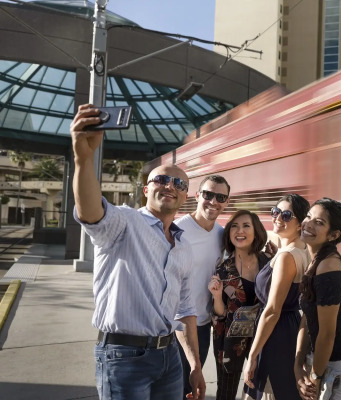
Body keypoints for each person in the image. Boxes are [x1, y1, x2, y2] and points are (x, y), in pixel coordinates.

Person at [70, 104, 205, 400]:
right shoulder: (124, 222)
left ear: (185, 195)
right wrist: (84, 158)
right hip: (123, 358)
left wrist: (194, 364)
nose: (170, 186)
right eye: (161, 180)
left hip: (169, 357)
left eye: (179, 183)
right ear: (146, 189)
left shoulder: (183, 245)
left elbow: (185, 310)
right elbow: (91, 210)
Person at [295, 198, 341, 400]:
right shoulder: (315, 262)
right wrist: (298, 361)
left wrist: (316, 377)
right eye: (309, 216)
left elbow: (327, 334)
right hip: (319, 361)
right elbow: (308, 318)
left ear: (333, 235)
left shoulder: (329, 267)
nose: (308, 223)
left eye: (319, 222)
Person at [244, 194, 312, 400]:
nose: (277, 218)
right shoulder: (304, 251)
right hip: (289, 329)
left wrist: (253, 355)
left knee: (268, 392)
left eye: (286, 215)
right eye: (275, 211)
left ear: (300, 224)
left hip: (274, 335)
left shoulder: (286, 257)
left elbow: (272, 311)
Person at [174, 175, 230, 399]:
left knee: (190, 390)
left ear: (227, 201)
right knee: (171, 389)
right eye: (208, 194)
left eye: (220, 197)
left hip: (202, 326)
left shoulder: (221, 234)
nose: (213, 201)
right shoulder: (177, 229)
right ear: (197, 196)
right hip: (174, 325)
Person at [208, 210, 270, 400]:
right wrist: (217, 297)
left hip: (262, 336)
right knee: (226, 393)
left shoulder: (268, 262)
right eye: (234, 226)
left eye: (245, 226)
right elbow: (219, 315)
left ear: (256, 231)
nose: (239, 231)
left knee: (260, 388)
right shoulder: (223, 269)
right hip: (229, 339)